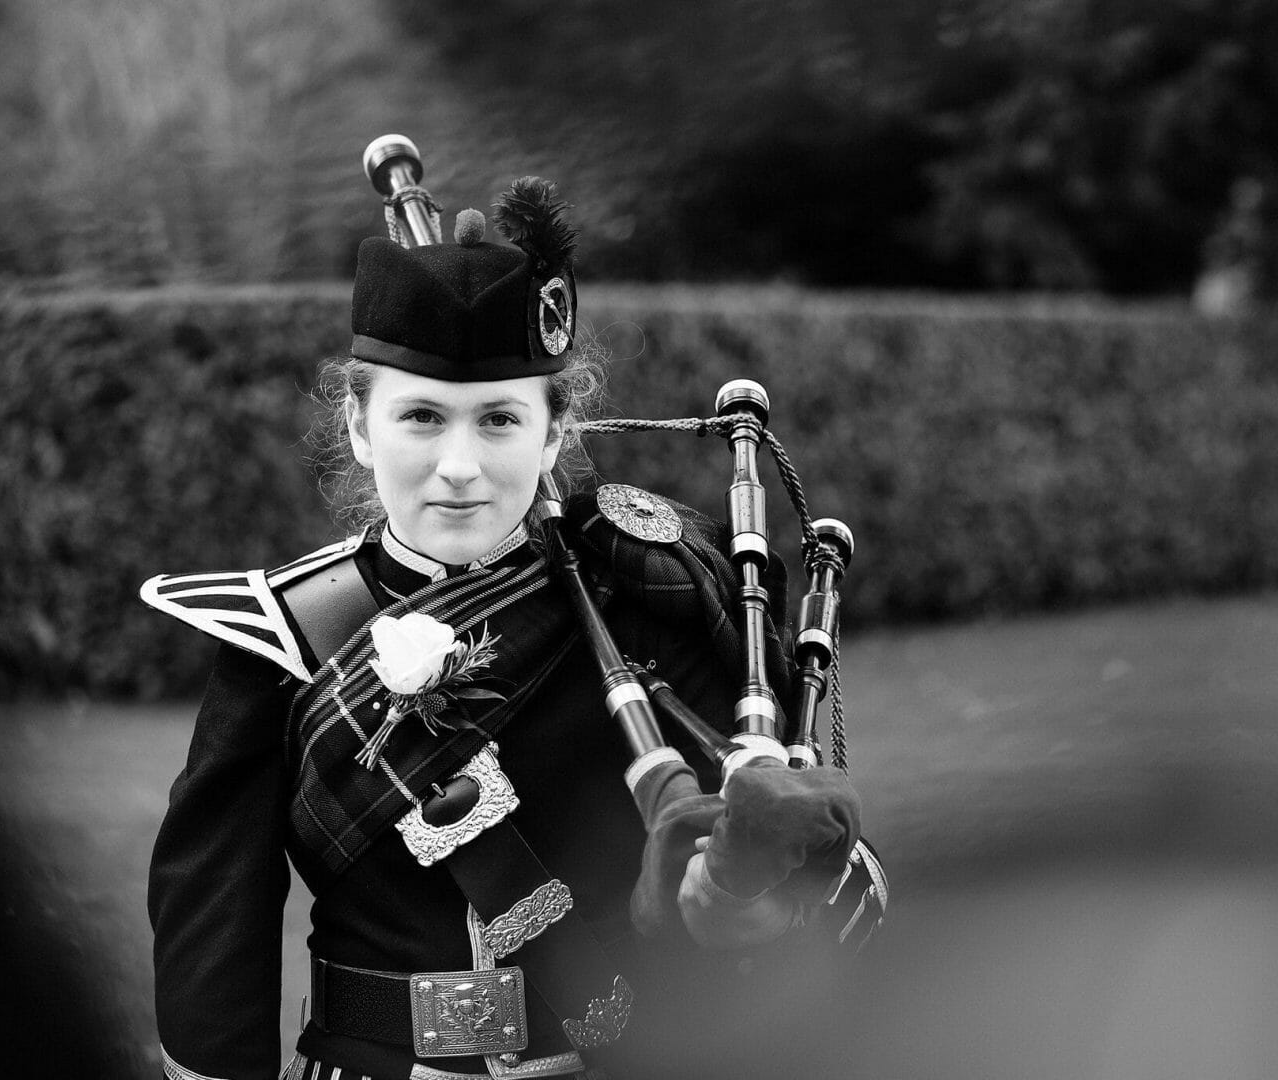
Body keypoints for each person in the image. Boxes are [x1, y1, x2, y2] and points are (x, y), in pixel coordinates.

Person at [143, 177, 883, 1080]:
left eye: (498, 418)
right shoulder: (283, 637)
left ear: (552, 431)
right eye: (420, 416)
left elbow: (802, 857)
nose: (459, 466)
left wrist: (753, 903)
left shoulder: (648, 600)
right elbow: (212, 924)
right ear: (359, 423)